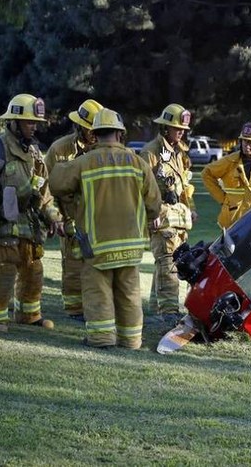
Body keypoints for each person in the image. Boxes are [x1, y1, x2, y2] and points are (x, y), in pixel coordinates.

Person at [49, 108, 161, 349]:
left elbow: (56, 183)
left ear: (95, 134)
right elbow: (154, 205)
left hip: (96, 244)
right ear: (120, 134)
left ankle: (101, 338)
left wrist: (62, 167)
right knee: (129, 294)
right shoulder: (138, 163)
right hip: (131, 245)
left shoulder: (84, 163)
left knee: (97, 292)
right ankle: (131, 340)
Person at [0, 94, 64, 332]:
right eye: (29, 122)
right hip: (3, 225)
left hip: (29, 227)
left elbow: (45, 194)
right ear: (13, 122)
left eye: (36, 122)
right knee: (4, 269)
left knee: (34, 271)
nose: (34, 126)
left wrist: (53, 217)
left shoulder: (34, 153)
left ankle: (29, 315)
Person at [44, 98, 103, 321]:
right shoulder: (60, 150)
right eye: (90, 129)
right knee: (72, 265)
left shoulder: (104, 150)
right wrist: (56, 218)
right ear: (79, 126)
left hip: (98, 219)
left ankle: (97, 306)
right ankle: (75, 310)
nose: (94, 134)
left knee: (98, 267)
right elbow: (46, 188)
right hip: (70, 218)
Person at [140, 103, 197, 325]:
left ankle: (156, 309)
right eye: (176, 128)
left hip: (178, 219)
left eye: (183, 129)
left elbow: (184, 186)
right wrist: (151, 212)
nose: (181, 131)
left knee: (167, 263)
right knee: (168, 264)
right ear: (164, 128)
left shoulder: (177, 152)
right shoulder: (150, 152)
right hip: (161, 218)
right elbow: (144, 187)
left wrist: (190, 210)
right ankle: (170, 313)